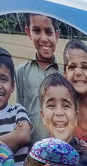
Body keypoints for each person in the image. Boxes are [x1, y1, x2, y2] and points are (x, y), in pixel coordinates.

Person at [15, 13, 60, 143]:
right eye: (36, 31)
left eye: (48, 32)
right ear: (28, 32)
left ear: (56, 35)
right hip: (31, 150)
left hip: (59, 149)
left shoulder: (64, 73)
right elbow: (20, 114)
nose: (44, 38)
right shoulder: (21, 72)